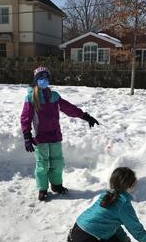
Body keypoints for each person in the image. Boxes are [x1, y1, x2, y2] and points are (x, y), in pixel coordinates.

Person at [20, 66, 99, 201]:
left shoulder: (54, 96)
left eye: (46, 78)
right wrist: (27, 136)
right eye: (41, 78)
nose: (44, 80)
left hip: (55, 136)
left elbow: (69, 108)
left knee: (57, 162)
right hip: (40, 137)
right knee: (42, 164)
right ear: (36, 80)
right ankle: (43, 189)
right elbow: (25, 117)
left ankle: (56, 185)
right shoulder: (31, 97)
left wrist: (85, 116)